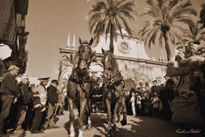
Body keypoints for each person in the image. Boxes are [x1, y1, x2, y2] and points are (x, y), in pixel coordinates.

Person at [0, 65, 21, 135]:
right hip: (7, 96)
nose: (18, 72)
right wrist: (18, 94)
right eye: (17, 70)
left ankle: (3, 130)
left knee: (7, 113)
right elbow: (13, 88)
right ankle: (1, 131)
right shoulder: (10, 76)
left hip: (8, 95)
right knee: (5, 113)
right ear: (12, 70)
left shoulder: (9, 76)